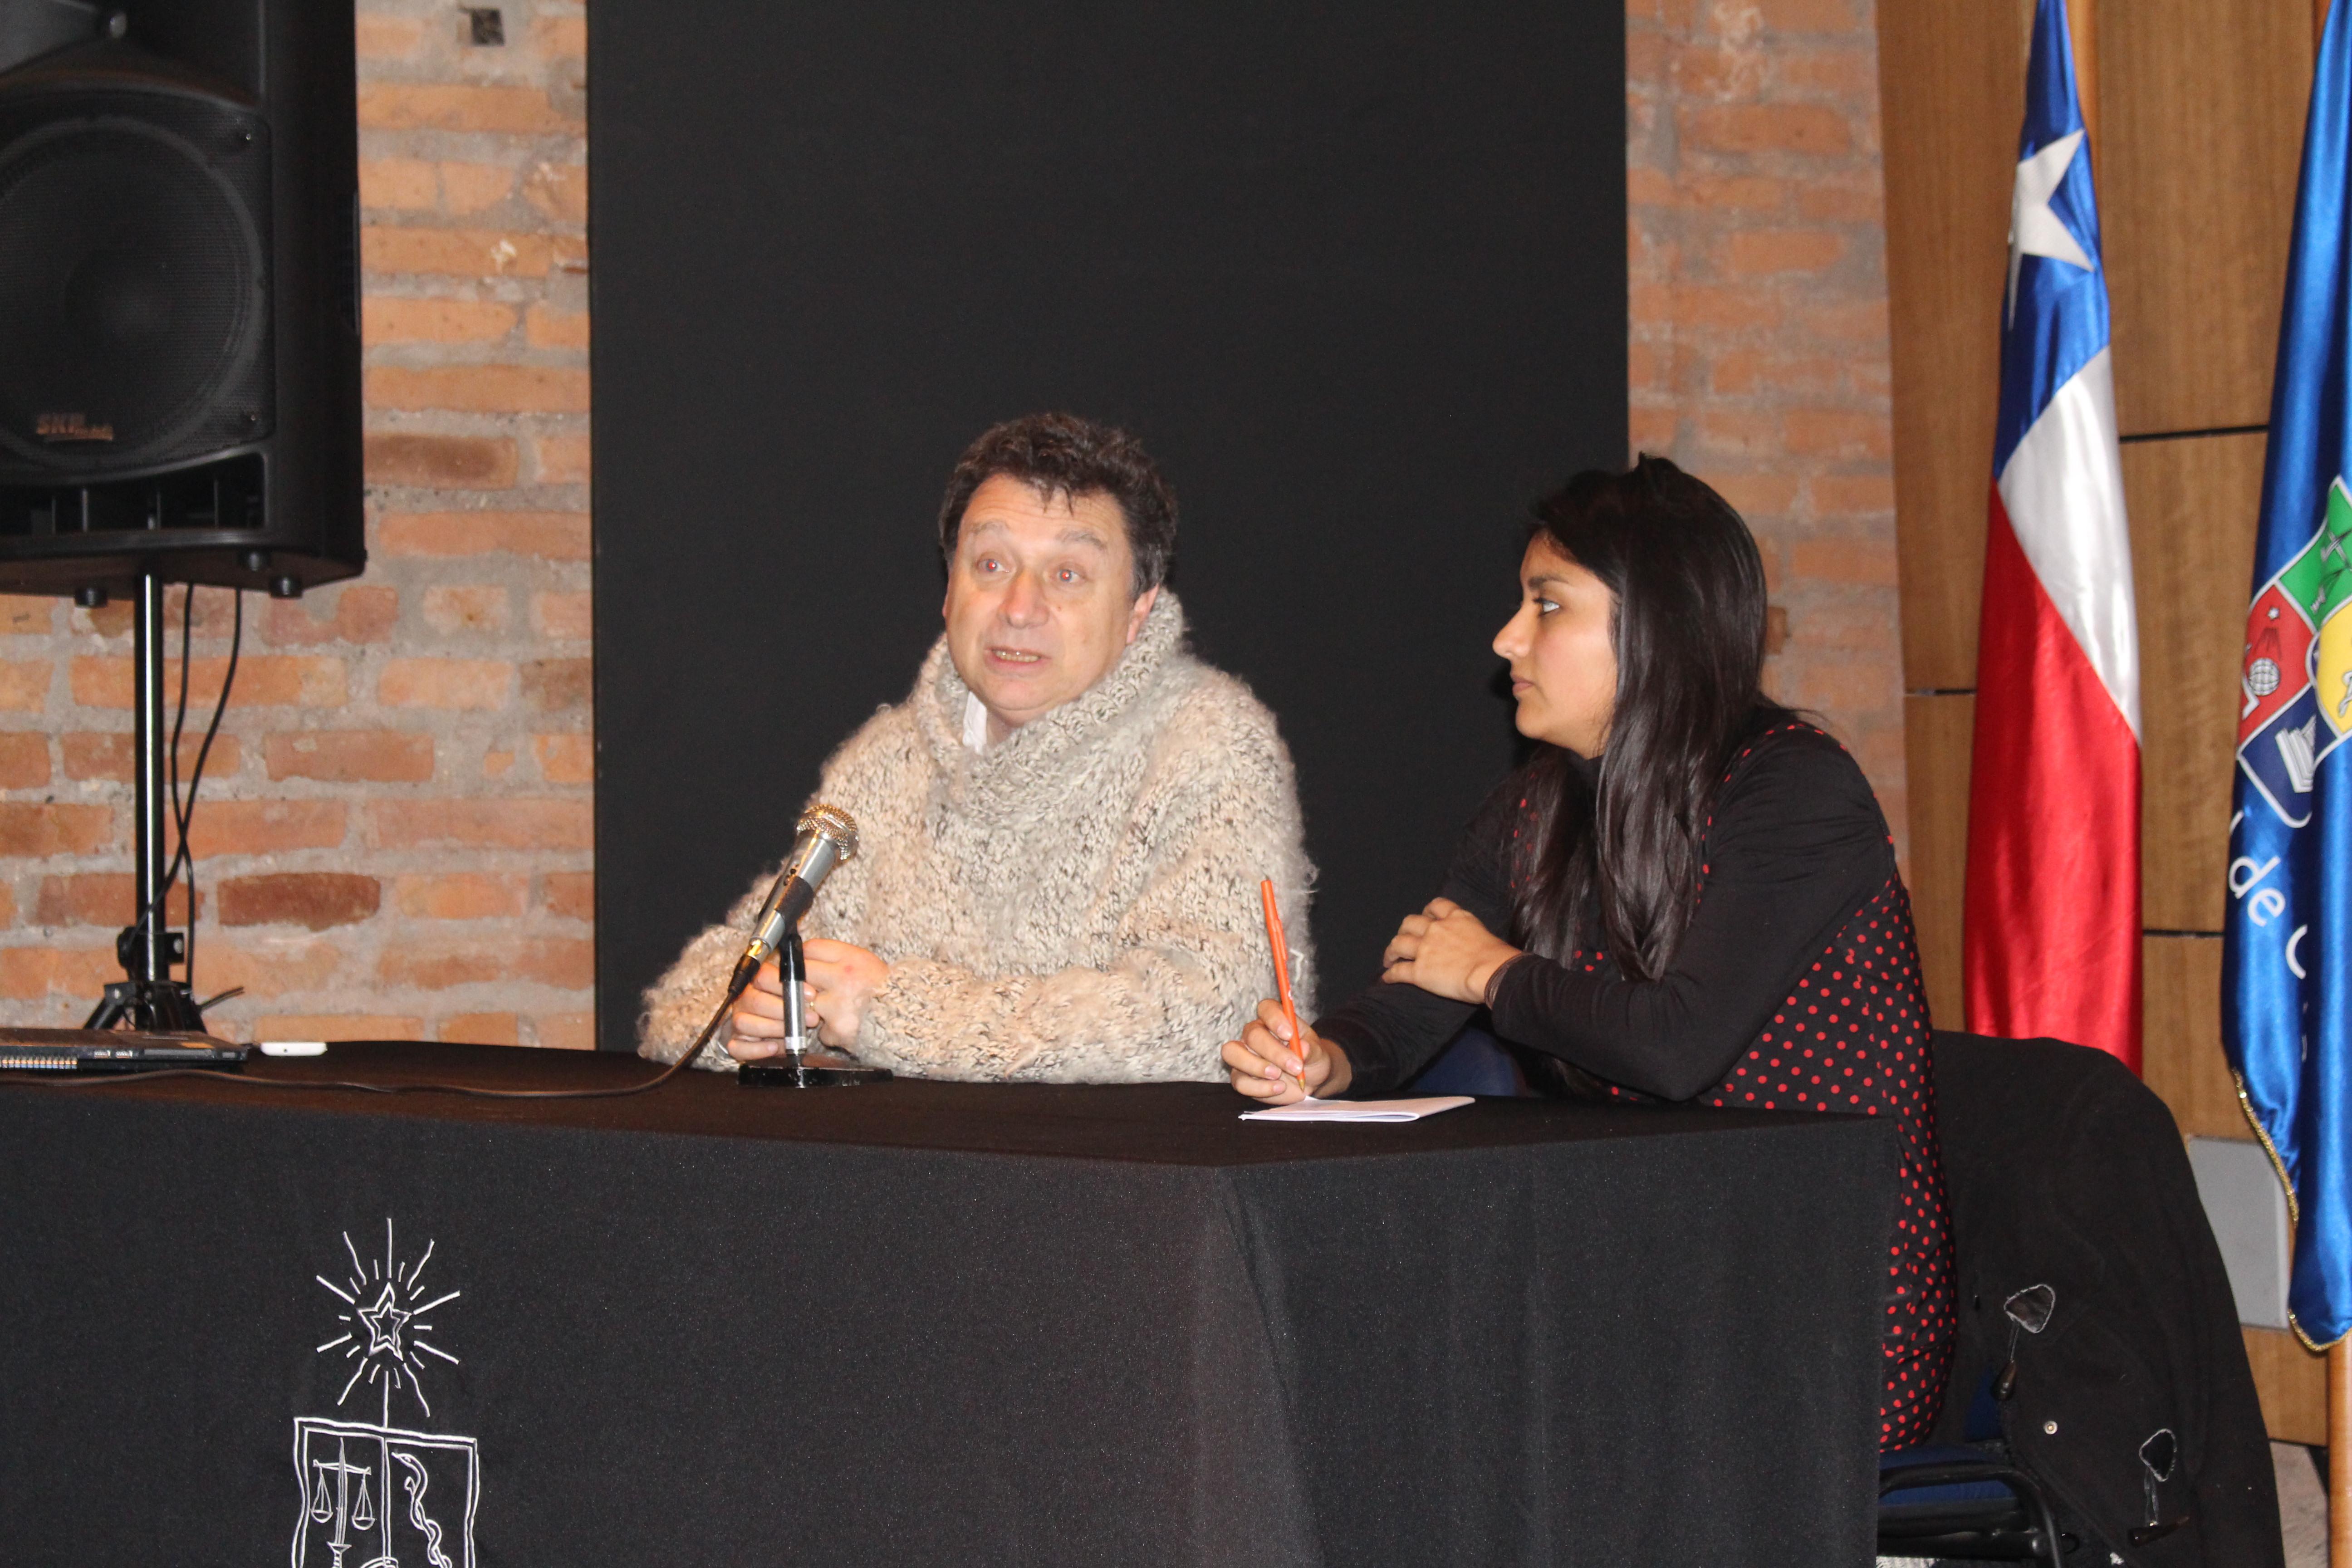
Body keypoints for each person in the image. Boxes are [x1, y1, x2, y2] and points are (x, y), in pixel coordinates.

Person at [1222, 456, 1954, 1450]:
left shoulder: (1793, 792)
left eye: (1547, 606)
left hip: (1813, 1304)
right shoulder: (1536, 804)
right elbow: (1415, 996)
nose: (1507, 639)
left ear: (1657, 626)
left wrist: (1492, 971)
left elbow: (1675, 1046)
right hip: (1633, 1265)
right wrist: (1328, 1057)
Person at [641, 412, 1315, 1081]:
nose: (1020, 607)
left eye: (1069, 575)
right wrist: (749, 1017)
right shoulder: (886, 761)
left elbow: (1212, 1017)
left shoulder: (1210, 745)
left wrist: (893, 1014)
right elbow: (701, 990)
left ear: (1138, 610)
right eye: (991, 564)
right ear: (949, 591)